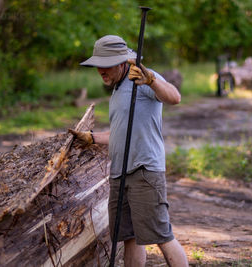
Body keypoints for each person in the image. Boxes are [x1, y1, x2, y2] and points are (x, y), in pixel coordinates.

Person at [69, 35, 188, 267]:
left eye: (106, 65)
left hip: (144, 171)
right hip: (120, 173)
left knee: (161, 235)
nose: (101, 70)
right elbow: (119, 133)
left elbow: (174, 97)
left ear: (123, 62)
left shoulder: (141, 79)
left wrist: (151, 80)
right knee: (129, 238)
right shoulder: (117, 89)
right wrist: (91, 138)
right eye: (98, 65)